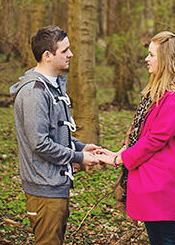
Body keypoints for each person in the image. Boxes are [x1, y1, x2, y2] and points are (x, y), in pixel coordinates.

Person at [10, 25, 105, 245]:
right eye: (64, 50)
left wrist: (81, 147)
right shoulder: (35, 92)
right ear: (47, 56)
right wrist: (79, 157)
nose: (70, 54)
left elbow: (55, 134)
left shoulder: (52, 86)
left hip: (55, 187)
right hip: (44, 189)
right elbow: (40, 144)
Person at [109, 31, 175, 245]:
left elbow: (156, 138)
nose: (147, 59)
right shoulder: (158, 92)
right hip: (151, 179)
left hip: (161, 182)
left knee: (164, 238)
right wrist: (125, 148)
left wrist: (124, 158)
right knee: (158, 237)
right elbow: (142, 129)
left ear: (165, 60)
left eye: (152, 55)